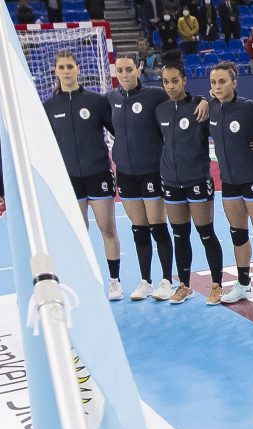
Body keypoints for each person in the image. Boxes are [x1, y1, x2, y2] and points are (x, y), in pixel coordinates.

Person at [109, 52, 207, 302]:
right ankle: (145, 281)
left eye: (129, 69)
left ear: (138, 69)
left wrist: (203, 99)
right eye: (120, 70)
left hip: (152, 171)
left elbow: (181, 100)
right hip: (125, 173)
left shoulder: (154, 95)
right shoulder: (112, 98)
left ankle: (166, 280)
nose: (124, 75)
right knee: (138, 228)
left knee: (158, 225)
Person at [43, 50, 123, 300]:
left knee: (107, 228)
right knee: (78, 233)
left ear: (78, 69)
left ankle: (114, 281)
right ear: (56, 72)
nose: (66, 71)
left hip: (98, 174)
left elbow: (120, 132)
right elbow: (45, 145)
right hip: (69, 180)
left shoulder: (96, 101)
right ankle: (83, 280)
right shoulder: (49, 107)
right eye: (62, 67)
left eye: (70, 66)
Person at [155, 51, 226, 305]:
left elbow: (222, 120)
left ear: (184, 80)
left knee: (206, 233)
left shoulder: (199, 107)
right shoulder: (160, 110)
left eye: (175, 81)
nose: (170, 86)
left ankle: (217, 285)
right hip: (171, 182)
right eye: (166, 82)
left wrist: (206, 99)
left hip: (197, 180)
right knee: (179, 235)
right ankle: (184, 286)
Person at [208, 61, 253, 304]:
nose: (217, 86)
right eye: (214, 82)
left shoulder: (250, 107)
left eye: (222, 81)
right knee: (238, 235)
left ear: (234, 82)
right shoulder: (211, 107)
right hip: (228, 183)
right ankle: (243, 284)